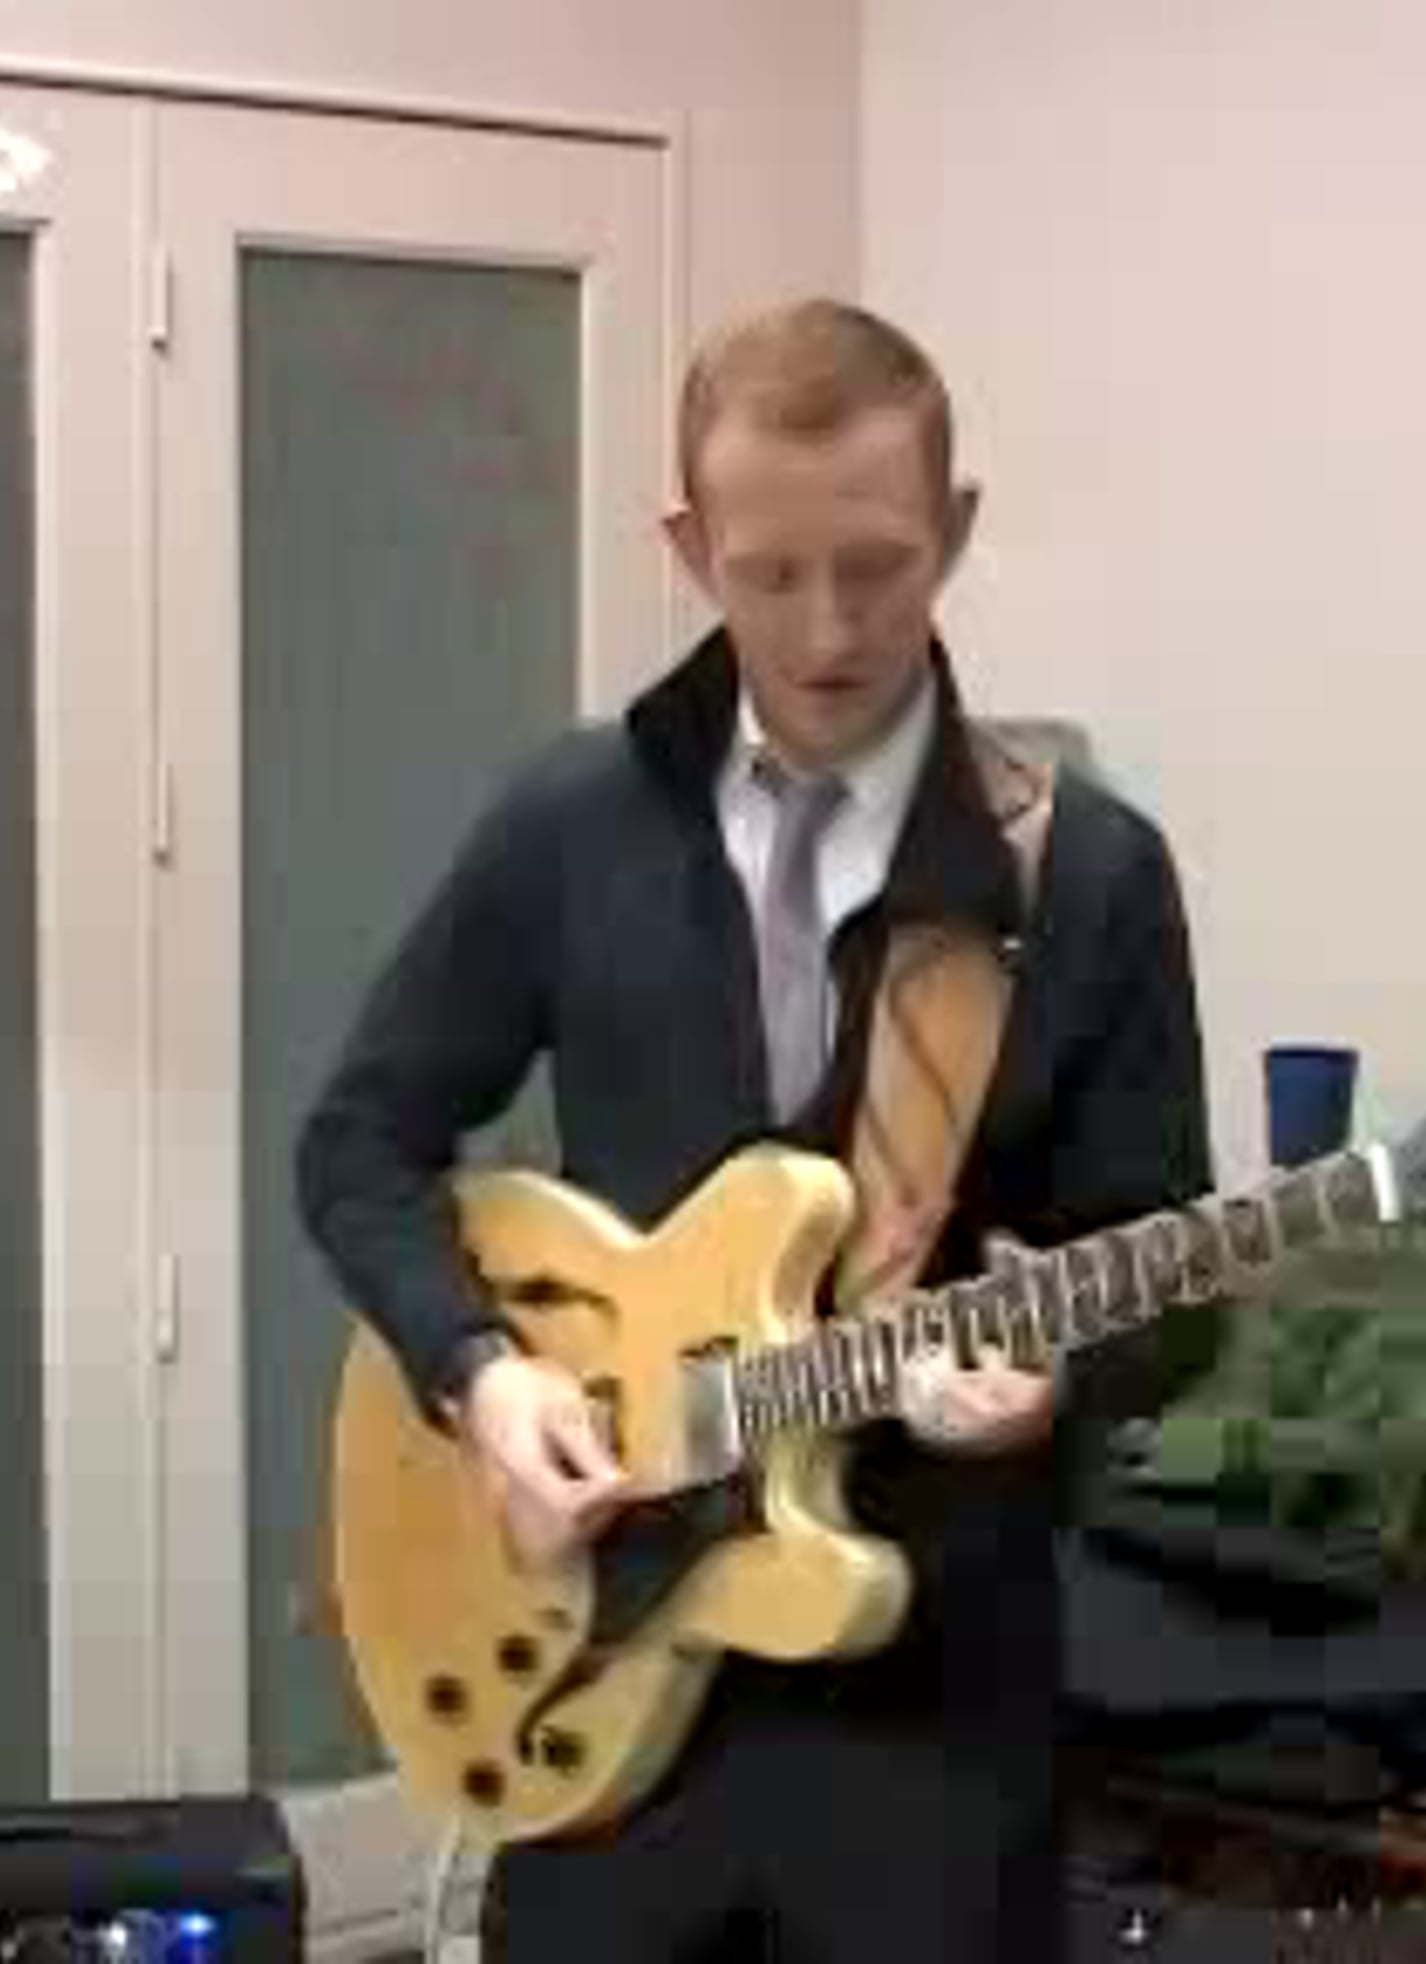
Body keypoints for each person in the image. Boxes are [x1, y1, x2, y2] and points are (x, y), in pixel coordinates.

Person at [297, 298, 1212, 1962]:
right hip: (602, 1688)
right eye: (768, 574)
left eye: (876, 566)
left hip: (933, 1735)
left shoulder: (1088, 876)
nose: (826, 629)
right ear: (687, 546)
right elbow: (358, 1145)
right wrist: (484, 1378)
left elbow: (1171, 1284)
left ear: (956, 530)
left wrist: (1053, 1382)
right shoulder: (573, 821)